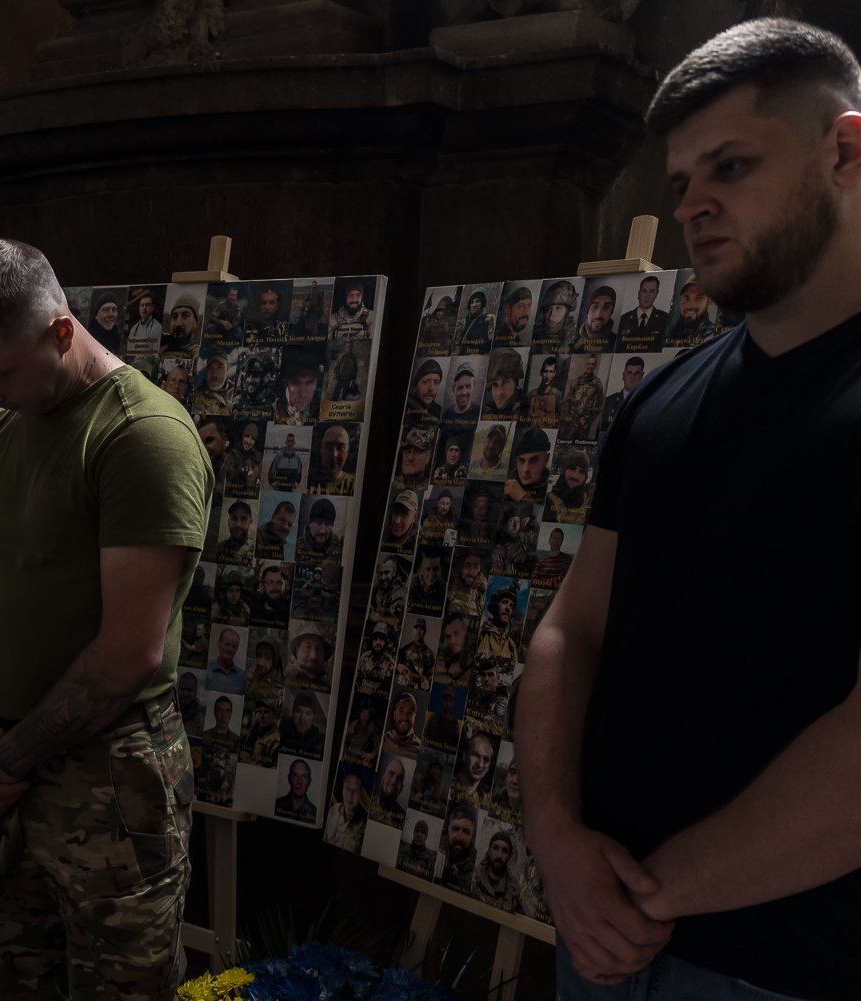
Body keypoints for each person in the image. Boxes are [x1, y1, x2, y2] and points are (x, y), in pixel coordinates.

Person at [521, 20, 861, 1000]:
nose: (693, 207)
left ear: (844, 150)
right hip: (602, 943)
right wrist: (555, 839)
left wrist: (645, 896)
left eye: (731, 165)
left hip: (787, 967)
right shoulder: (660, 403)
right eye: (679, 183)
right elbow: (570, 631)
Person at [0, 236, 213, 998]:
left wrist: (2, 760)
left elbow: (127, 655)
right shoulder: (2, 430)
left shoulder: (141, 436)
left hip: (109, 776)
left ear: (60, 331)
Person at [559, 354, 606, 439]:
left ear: (595, 366)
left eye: (593, 364)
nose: (590, 366)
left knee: (578, 448)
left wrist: (588, 420)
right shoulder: (577, 380)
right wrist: (566, 418)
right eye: (589, 364)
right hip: (570, 422)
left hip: (583, 426)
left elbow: (599, 404)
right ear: (585, 365)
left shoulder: (597, 383)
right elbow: (568, 399)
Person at [272, 347, 322, 424]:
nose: (303, 394)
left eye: (309, 383)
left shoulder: (321, 411)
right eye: (296, 383)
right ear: (285, 383)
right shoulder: (272, 409)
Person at [616, 275, 669, 348]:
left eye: (652, 291)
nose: (647, 296)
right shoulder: (624, 319)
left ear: (656, 294)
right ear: (639, 293)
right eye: (644, 291)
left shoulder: (665, 319)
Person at [502, 426, 552, 503]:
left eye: (533, 461)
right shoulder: (508, 484)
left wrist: (523, 498)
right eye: (521, 461)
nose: (525, 469)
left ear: (546, 459)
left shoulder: (550, 489)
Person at [473, 830, 520, 910]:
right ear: (489, 851)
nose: (499, 855)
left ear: (509, 856)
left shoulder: (514, 890)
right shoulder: (474, 877)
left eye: (505, 851)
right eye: (495, 848)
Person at [544, 449, 593, 524]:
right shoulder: (548, 501)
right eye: (572, 468)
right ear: (564, 470)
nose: (575, 476)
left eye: (581, 472)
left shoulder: (587, 504)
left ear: (585, 477)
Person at [599, 356, 645, 433]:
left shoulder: (648, 402)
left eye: (637, 373)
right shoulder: (608, 403)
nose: (632, 377)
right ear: (623, 375)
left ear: (642, 376)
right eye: (629, 373)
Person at [666, 273, 715, 344]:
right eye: (686, 298)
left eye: (699, 298)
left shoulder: (712, 335)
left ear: (708, 302)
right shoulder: (669, 333)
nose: (690, 305)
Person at [324, 772, 366, 852]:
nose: (350, 795)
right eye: (347, 789)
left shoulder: (365, 824)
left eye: (355, 791)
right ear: (342, 789)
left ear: (361, 793)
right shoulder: (332, 810)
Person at [439, 805, 477, 894]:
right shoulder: (437, 854)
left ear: (472, 836)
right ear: (448, 829)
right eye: (455, 829)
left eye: (466, 831)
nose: (459, 837)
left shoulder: (477, 869)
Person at [534, 280, 578, 355]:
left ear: (567, 311)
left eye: (558, 308)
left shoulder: (576, 341)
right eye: (548, 309)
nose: (551, 316)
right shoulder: (535, 337)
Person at [278, 690, 324, 758]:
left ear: (313, 717)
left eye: (308, 713)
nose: (302, 719)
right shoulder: (280, 735)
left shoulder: (320, 743)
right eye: (298, 711)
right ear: (292, 713)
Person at [453, 729, 497, 801]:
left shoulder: (488, 797)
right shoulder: (448, 786)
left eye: (486, 759)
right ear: (464, 755)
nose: (480, 764)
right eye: (476, 755)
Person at [295, 497, 341, 563]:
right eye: (318, 523)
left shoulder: (341, 548)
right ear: (310, 523)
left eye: (328, 524)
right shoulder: (295, 547)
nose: (323, 531)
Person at [481, 348, 524, 419]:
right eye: (495, 384)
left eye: (505, 382)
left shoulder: (525, 408)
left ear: (515, 383)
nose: (499, 392)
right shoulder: (485, 409)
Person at [572, 285, 618, 353]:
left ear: (611, 312)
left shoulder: (616, 342)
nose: (599, 314)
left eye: (606, 307)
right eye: (595, 306)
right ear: (588, 311)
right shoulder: (571, 340)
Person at [396, 617, 436, 689]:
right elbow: (396, 667)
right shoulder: (404, 650)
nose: (418, 632)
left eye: (421, 629)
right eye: (416, 629)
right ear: (413, 630)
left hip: (419, 688)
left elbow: (431, 674)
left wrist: (428, 682)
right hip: (404, 686)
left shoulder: (429, 653)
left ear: (425, 632)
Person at [273, 758, 316, 823]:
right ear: (289, 778)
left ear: (309, 781)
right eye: (295, 775)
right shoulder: (276, 805)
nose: (299, 781)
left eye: (304, 776)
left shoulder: (315, 813)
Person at [392, 424, 434, 490]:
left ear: (428, 456)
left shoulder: (431, 486)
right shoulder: (391, 482)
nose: (410, 458)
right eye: (407, 451)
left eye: (417, 451)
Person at [524, 355, 561, 428]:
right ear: (541, 372)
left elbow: (558, 420)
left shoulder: (558, 395)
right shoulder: (531, 395)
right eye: (545, 371)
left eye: (551, 372)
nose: (547, 376)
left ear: (554, 374)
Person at [205, 626, 246, 692]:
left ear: (237, 649)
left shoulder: (242, 677)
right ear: (219, 644)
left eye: (234, 646)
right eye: (227, 644)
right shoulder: (206, 671)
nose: (230, 649)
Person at [436, 611, 473, 685]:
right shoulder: (442, 655)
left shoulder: (474, 654)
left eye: (456, 633)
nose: (452, 641)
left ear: (464, 629)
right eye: (448, 636)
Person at [239, 698, 279, 766]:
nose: (262, 716)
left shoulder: (275, 739)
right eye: (259, 712)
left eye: (266, 712)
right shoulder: (258, 733)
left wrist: (249, 762)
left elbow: (272, 767)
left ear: (274, 715)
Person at [441, 361, 480, 427]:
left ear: (474, 386)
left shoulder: (479, 413)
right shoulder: (445, 416)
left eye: (468, 386)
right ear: (454, 389)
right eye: (460, 387)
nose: (464, 392)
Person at [369, 555, 408, 619]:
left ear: (394, 572)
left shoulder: (402, 591)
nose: (383, 577)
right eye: (380, 573)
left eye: (387, 572)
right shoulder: (375, 588)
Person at [380, 489, 418, 554]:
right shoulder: (385, 533)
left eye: (404, 514)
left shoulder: (416, 546)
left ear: (414, 517)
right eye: (396, 512)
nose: (397, 521)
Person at [215, 499, 253, 563]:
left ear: (250, 522)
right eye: (234, 518)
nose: (238, 524)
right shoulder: (218, 548)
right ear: (228, 521)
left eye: (243, 519)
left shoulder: (255, 549)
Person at [455, 287, 492, 352]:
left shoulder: (488, 321)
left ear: (482, 303)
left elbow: (490, 343)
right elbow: (456, 346)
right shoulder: (462, 323)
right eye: (472, 302)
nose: (474, 305)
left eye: (477, 301)